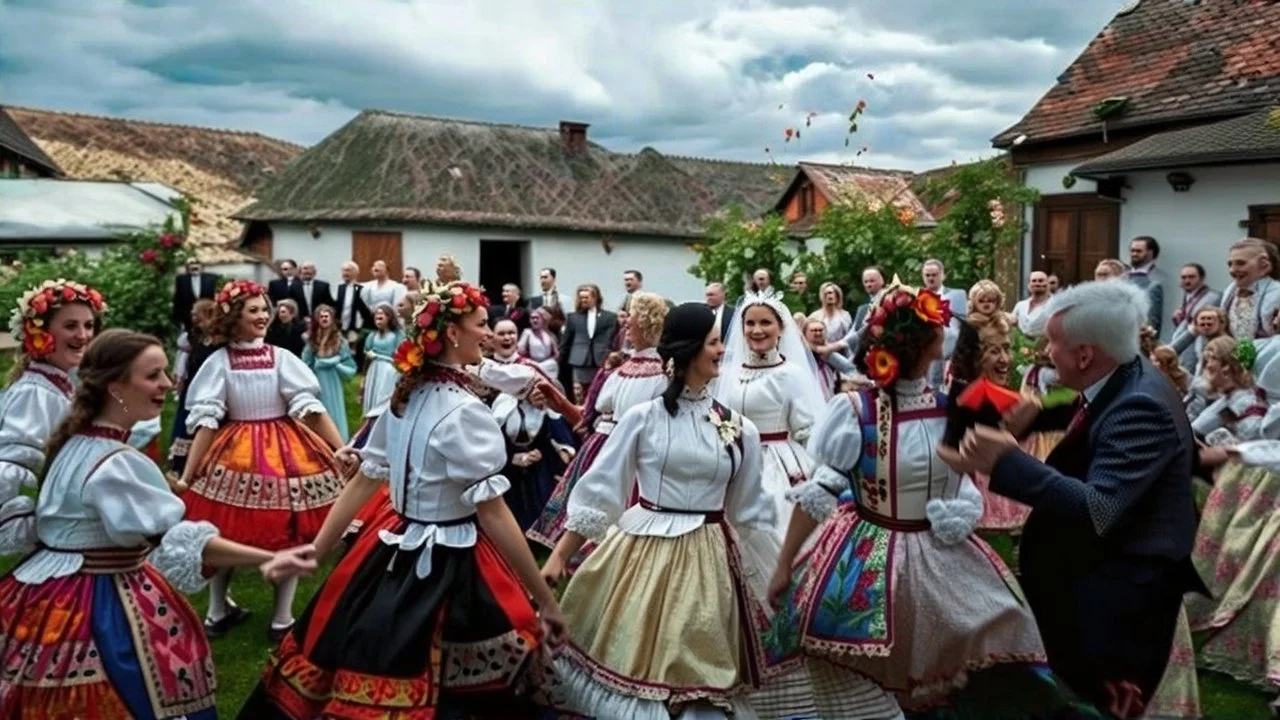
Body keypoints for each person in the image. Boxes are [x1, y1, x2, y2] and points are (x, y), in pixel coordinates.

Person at [238, 281, 566, 719]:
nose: (488, 334)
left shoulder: (406, 396)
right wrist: (544, 600)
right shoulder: (464, 411)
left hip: (393, 542)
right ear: (452, 334)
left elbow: (364, 481)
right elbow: (493, 512)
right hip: (455, 558)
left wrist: (318, 550)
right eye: (481, 325)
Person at [769, 278, 1054, 718]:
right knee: (876, 657)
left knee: (999, 623)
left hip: (940, 551)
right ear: (924, 346)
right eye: (939, 331)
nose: (948, 335)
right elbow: (822, 490)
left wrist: (1013, 432)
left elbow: (961, 472)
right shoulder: (855, 411)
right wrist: (785, 563)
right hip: (868, 551)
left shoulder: (950, 406)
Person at [0, 329, 317, 719]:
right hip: (98, 602)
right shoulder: (116, 462)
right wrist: (269, 557)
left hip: (42, 592)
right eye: (152, 376)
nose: (168, 384)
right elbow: (178, 538)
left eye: (165, 373)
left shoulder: (73, 442)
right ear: (116, 385)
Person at [939, 280, 1206, 717]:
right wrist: (1039, 412)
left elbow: (1100, 507)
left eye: (1053, 345)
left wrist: (1007, 461)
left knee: (1098, 704)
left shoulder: (1141, 407)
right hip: (1101, 583)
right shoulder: (1126, 375)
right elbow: (1089, 407)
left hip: (1119, 599)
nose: (1045, 354)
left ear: (1085, 354)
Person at [541, 302, 817, 719]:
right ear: (688, 350)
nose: (724, 350)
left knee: (700, 676)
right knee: (643, 667)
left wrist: (782, 569)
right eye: (714, 342)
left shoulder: (740, 429)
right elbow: (601, 491)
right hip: (644, 552)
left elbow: (750, 510)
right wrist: (559, 556)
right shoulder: (643, 419)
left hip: (711, 559)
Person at [177, 279, 348, 642]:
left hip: (283, 448)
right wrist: (189, 474)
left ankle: (277, 616)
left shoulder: (280, 357)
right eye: (252, 310)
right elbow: (206, 421)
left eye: (263, 309)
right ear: (233, 317)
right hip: (238, 450)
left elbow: (310, 410)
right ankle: (220, 608)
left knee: (287, 528)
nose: (262, 315)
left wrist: (339, 448)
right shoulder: (219, 361)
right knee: (223, 529)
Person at [527, 292, 668, 556]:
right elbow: (587, 420)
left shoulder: (661, 374)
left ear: (649, 322)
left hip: (627, 456)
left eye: (633, 316)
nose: (626, 323)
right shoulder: (619, 368)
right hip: (600, 450)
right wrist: (556, 400)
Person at [715, 287, 826, 539]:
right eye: (750, 323)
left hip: (776, 465)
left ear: (781, 328)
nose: (757, 330)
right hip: (734, 462)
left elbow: (807, 429)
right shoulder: (730, 374)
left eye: (765, 322)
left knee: (770, 535)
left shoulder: (790, 374)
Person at [0, 279, 106, 496]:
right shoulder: (34, 393)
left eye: (88, 325)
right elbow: (13, 472)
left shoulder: (57, 385)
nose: (83, 335)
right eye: (70, 326)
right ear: (40, 333)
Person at [169, 298, 219, 476]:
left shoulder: (219, 339)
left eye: (196, 314)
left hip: (211, 389)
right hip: (193, 388)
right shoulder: (193, 336)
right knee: (186, 424)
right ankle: (181, 464)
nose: (193, 317)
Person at [302, 305, 358, 442]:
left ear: (332, 319)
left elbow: (349, 364)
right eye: (321, 316)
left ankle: (338, 439)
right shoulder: (313, 340)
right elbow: (306, 361)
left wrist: (334, 362)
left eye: (327, 315)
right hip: (318, 378)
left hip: (332, 379)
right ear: (317, 320)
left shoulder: (339, 340)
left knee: (334, 408)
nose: (324, 318)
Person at [360, 303, 403, 416]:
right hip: (374, 369)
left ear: (389, 317)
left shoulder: (397, 335)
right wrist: (363, 381)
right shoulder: (372, 335)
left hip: (389, 370)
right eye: (376, 317)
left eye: (381, 317)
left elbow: (400, 355)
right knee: (372, 395)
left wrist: (380, 356)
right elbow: (366, 355)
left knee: (383, 395)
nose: (378, 320)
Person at [172, 257, 217, 332]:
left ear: (202, 267)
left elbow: (215, 297)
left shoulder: (212, 278)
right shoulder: (181, 280)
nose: (194, 267)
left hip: (207, 317)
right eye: (191, 265)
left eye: (197, 264)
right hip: (188, 318)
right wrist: (177, 320)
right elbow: (178, 300)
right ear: (187, 268)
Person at [518, 306, 559, 377]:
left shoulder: (549, 335)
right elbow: (520, 351)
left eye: (537, 318)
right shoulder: (527, 333)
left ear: (542, 319)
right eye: (532, 318)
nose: (535, 320)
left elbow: (556, 354)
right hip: (532, 366)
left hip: (547, 366)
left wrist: (549, 362)